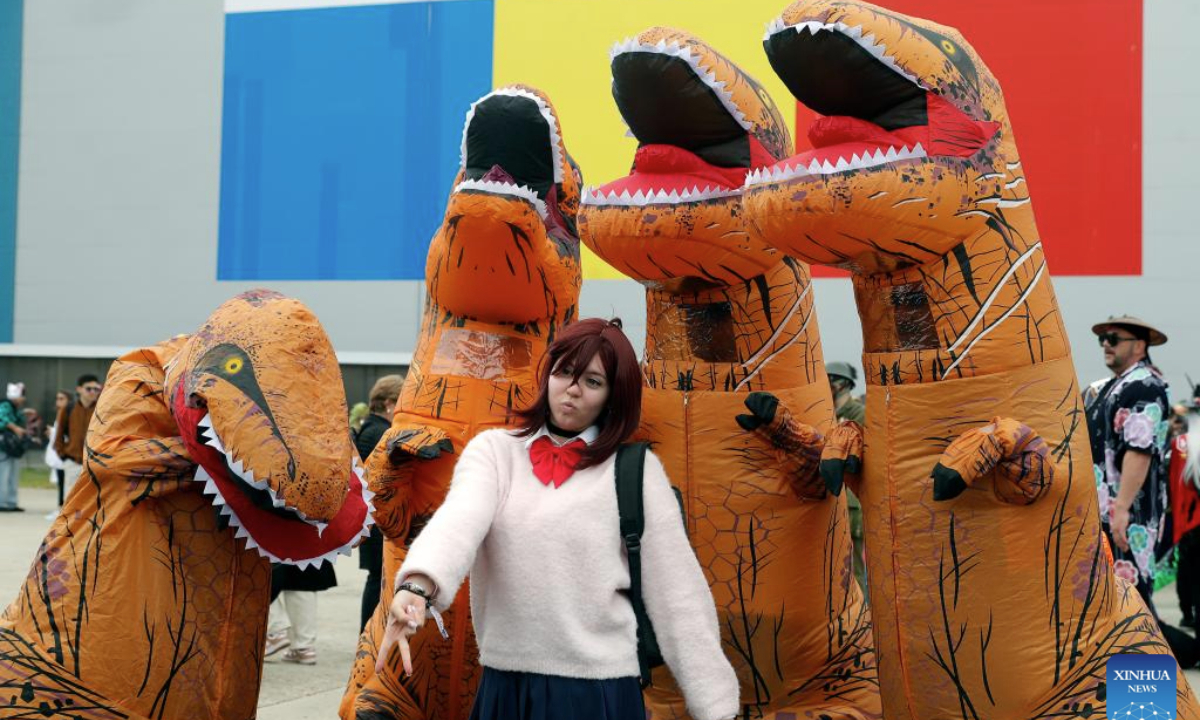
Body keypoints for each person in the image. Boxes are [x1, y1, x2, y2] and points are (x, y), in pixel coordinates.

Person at [377, 318, 738, 720]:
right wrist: (416, 588)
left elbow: (678, 595)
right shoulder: (496, 453)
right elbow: (458, 522)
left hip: (600, 691)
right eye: (564, 371)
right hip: (506, 687)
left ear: (613, 396)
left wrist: (716, 707)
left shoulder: (635, 472)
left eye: (593, 381)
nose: (572, 389)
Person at [1083, 315, 1171, 610]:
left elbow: (1139, 450)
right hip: (1106, 516)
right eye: (1103, 339)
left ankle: (1152, 657)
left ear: (1139, 346)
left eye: (1114, 339)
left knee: (1131, 607)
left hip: (1130, 517)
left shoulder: (1145, 385)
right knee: (1112, 606)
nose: (1106, 345)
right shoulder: (1111, 386)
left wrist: (1121, 510)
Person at [355, 374, 403, 630]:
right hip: (377, 521)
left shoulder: (371, 428)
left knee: (378, 580)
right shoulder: (379, 433)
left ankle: (369, 634)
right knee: (378, 581)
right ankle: (368, 634)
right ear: (388, 404)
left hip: (372, 520)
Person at [828, 361, 867, 592]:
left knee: (854, 568)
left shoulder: (859, 415)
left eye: (832, 379)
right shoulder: (828, 413)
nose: (828, 384)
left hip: (852, 504)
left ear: (844, 384)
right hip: (831, 499)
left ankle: (863, 617)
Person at [54, 374, 102, 495]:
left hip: (95, 463)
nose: (93, 392)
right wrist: (63, 455)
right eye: (88, 388)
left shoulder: (102, 409)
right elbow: (59, 434)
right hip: (72, 462)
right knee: (70, 500)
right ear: (79, 389)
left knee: (92, 501)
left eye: (96, 389)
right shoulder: (68, 408)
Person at [0, 382, 28, 512]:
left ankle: (11, 502)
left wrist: (24, 413)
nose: (24, 399)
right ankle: (2, 502)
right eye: (23, 396)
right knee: (3, 474)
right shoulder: (5, 405)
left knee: (13, 474)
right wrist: (15, 428)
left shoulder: (15, 408)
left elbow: (18, 419)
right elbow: (2, 419)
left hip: (13, 446)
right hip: (3, 446)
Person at [43, 390, 70, 518]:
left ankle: (63, 509)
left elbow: (67, 434)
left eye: (62, 398)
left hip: (66, 455)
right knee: (61, 482)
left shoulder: (69, 414)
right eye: (57, 398)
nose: (58, 401)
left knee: (65, 483)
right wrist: (52, 432)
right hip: (59, 455)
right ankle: (61, 508)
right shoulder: (61, 413)